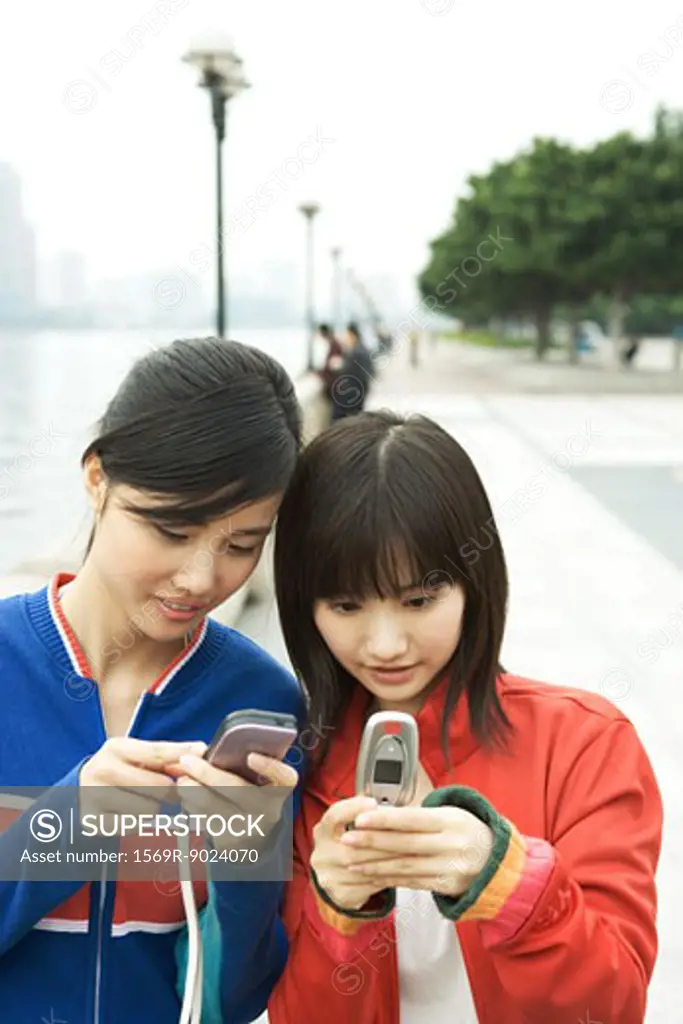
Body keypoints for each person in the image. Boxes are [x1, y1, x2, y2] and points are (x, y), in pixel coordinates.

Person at [268, 410, 662, 1023]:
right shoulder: (291, 769)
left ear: (475, 583)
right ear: (304, 605)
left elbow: (613, 1007)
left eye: (419, 600)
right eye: (345, 604)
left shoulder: (586, 742)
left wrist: (507, 880)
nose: (386, 644)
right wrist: (336, 912)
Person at [0, 337, 305, 1024]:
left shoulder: (262, 702)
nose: (201, 579)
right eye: (171, 529)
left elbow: (237, 997)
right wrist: (65, 824)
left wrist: (248, 860)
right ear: (97, 477)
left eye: (241, 546)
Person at [330, 322, 375, 422]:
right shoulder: (362, 349)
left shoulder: (357, 352)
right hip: (359, 392)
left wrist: (339, 367)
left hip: (352, 394)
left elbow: (350, 373)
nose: (346, 339)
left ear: (353, 335)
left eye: (348, 336)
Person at [314, 322, 344, 413]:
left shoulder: (334, 344)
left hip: (335, 385)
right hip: (337, 385)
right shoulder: (334, 342)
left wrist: (320, 373)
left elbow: (332, 366)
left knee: (336, 414)